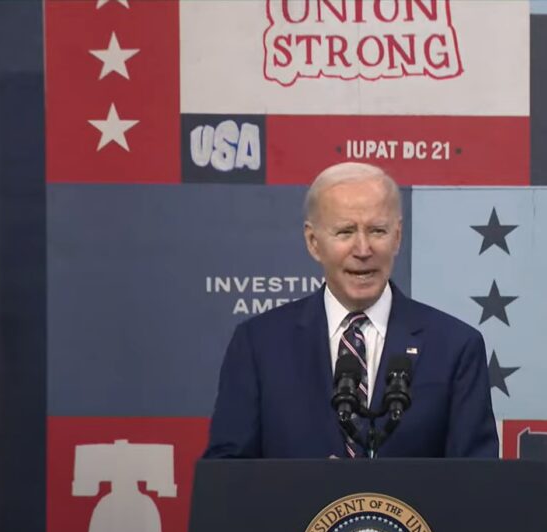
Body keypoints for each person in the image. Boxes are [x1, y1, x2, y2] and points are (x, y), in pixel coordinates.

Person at [203, 162, 498, 458]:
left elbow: (477, 483)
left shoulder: (455, 347)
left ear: (397, 237)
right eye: (345, 232)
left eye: (377, 231)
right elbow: (227, 477)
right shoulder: (259, 345)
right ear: (313, 242)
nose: (363, 249)